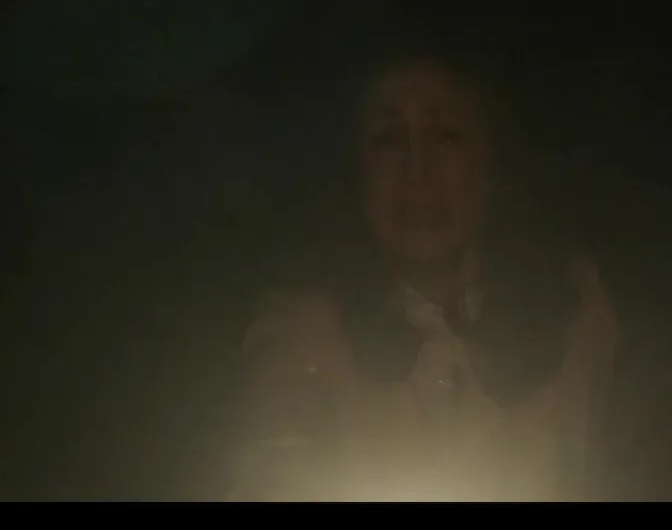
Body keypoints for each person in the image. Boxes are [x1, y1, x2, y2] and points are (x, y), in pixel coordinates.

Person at [229, 44, 620, 502]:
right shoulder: (302, 340)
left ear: (491, 161)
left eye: (447, 136)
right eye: (388, 139)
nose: (419, 171)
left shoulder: (576, 310)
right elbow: (270, 467)